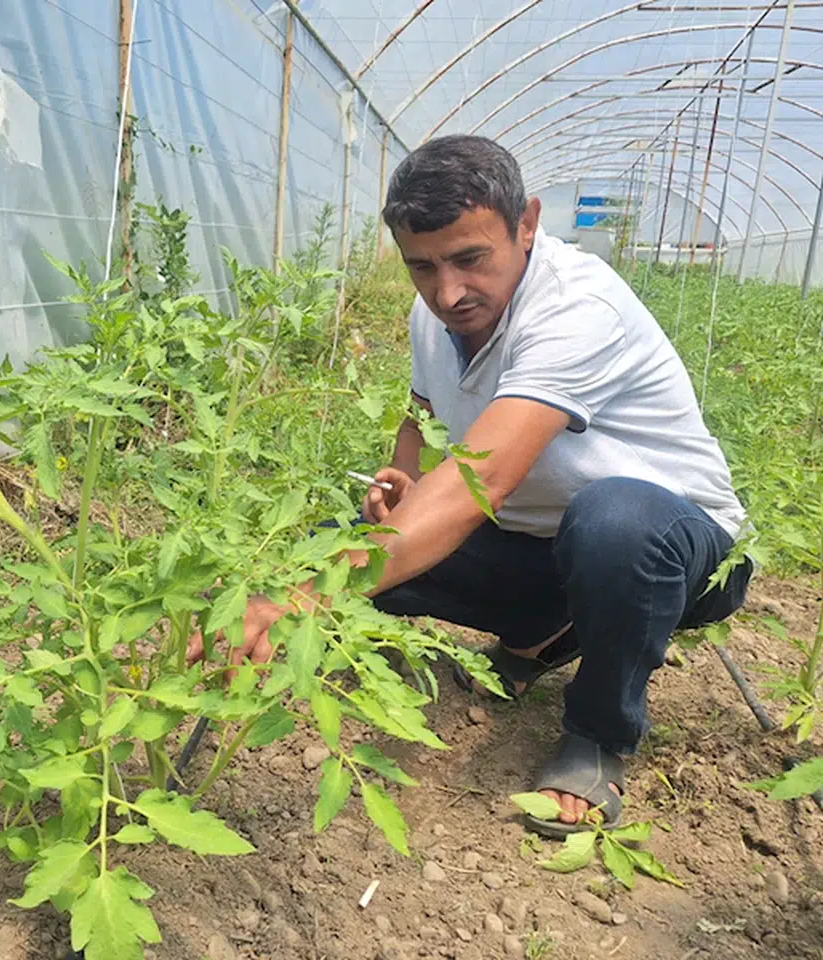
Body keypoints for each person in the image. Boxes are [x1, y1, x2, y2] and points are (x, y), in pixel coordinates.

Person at [188, 134, 752, 837]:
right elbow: (421, 416)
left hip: (678, 551)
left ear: (527, 224)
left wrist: (298, 598)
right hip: (539, 542)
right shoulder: (434, 315)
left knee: (614, 521)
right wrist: (403, 484)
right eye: (421, 267)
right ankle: (544, 630)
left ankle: (599, 734)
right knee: (347, 542)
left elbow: (481, 476)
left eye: (470, 259)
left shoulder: (578, 306)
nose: (447, 292)